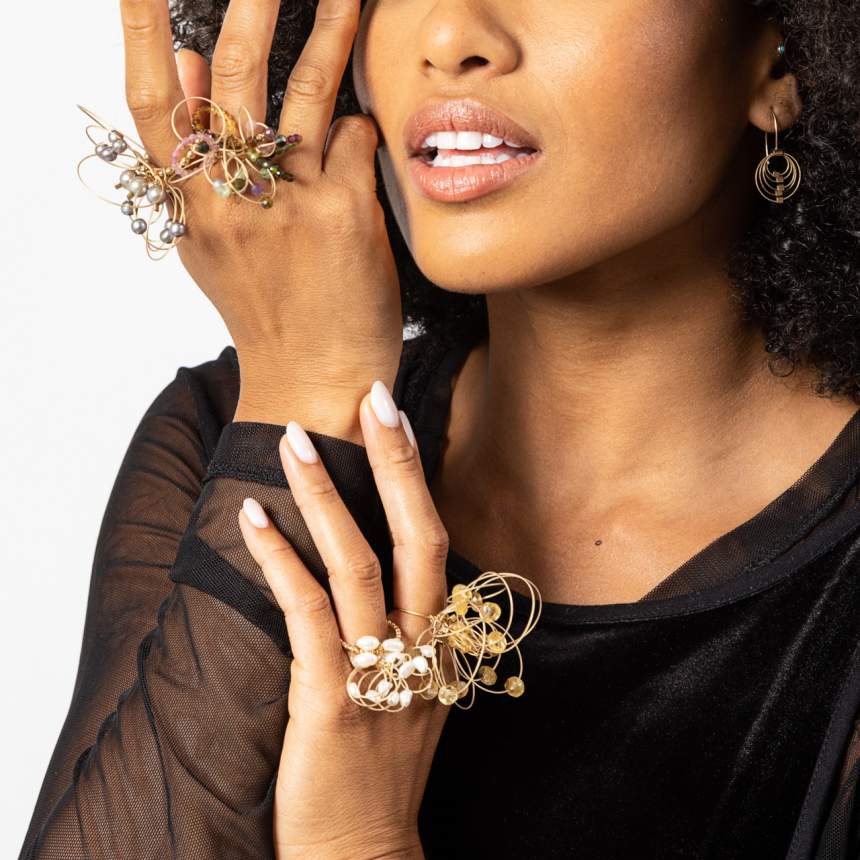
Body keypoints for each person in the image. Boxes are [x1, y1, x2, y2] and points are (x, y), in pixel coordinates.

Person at [19, 0, 860, 857]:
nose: (451, 36)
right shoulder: (234, 431)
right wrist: (309, 393)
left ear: (782, 59)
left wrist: (361, 840)